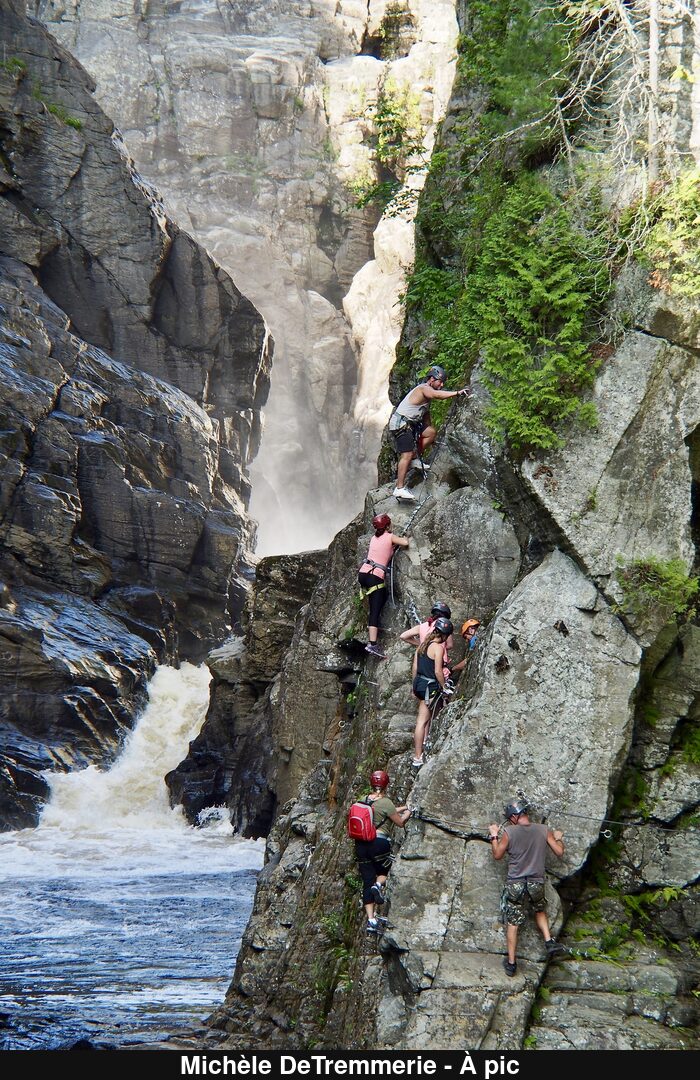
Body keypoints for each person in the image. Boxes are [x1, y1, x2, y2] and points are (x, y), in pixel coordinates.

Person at [488, 797, 566, 976]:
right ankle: (548, 940)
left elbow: (498, 854)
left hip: (515, 882)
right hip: (536, 881)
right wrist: (559, 838)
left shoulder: (509, 832)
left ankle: (511, 963)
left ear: (514, 817)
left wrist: (494, 835)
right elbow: (559, 851)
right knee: (539, 910)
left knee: (513, 923)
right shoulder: (543, 830)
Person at [388, 365, 470, 502]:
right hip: (400, 424)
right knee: (406, 454)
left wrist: (430, 438)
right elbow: (437, 395)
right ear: (432, 379)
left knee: (430, 432)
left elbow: (426, 416)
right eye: (440, 381)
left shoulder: (427, 395)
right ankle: (399, 488)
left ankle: (414, 459)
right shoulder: (424, 389)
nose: (442, 384)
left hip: (410, 425)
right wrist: (457, 393)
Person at [355, 770, 412, 933]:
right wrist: (409, 811)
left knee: (367, 881)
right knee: (385, 869)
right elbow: (399, 822)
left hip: (361, 845)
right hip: (379, 843)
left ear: (371, 784)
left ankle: (371, 920)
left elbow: (386, 810)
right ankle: (379, 885)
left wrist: (401, 808)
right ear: (386, 784)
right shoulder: (386, 802)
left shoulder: (362, 800)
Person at [358, 514, 409, 658]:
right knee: (375, 609)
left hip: (364, 573)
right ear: (387, 526)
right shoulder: (390, 537)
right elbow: (405, 542)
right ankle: (373, 644)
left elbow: (383, 550)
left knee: (378, 599)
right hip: (375, 576)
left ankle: (372, 640)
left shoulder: (374, 538)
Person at [411, 616, 453, 767]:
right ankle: (420, 754)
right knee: (424, 721)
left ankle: (418, 755)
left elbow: (415, 668)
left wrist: (413, 685)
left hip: (419, 684)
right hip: (430, 686)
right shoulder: (438, 648)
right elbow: (437, 671)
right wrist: (445, 687)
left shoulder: (422, 646)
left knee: (422, 721)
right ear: (444, 635)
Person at [400, 601, 454, 679]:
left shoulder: (422, 626)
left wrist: (422, 644)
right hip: (439, 665)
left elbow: (403, 636)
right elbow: (450, 645)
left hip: (424, 666)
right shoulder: (444, 628)